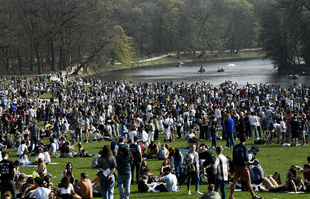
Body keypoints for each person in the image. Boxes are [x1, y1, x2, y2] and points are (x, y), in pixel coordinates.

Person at [229, 134, 262, 199]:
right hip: (243, 166)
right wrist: (251, 162)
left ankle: (231, 196)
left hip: (236, 166)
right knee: (248, 181)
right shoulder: (244, 147)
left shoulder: (236, 146)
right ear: (245, 140)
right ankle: (253, 196)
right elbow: (246, 158)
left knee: (235, 181)